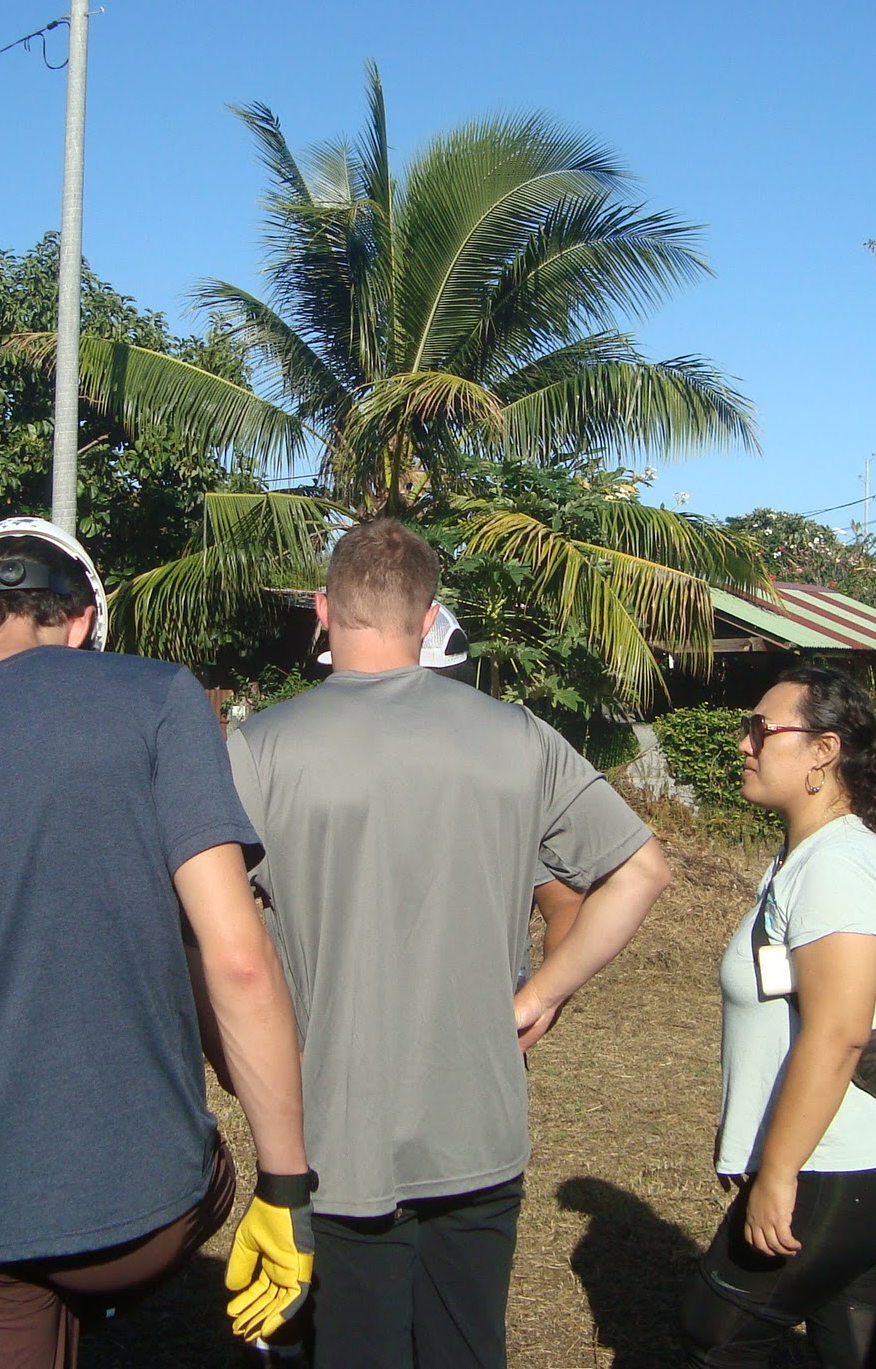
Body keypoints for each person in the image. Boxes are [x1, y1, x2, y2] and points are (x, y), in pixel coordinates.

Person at [0, 517, 312, 1369]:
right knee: (180, 1185)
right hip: (144, 1206)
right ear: (82, 623)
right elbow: (238, 956)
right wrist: (286, 1189)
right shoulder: (160, 696)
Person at [226, 518, 672, 1368]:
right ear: (430, 620)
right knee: (469, 1347)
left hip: (337, 1132)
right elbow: (641, 871)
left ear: (324, 609)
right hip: (479, 1125)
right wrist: (544, 993)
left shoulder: (257, 752)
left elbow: (214, 942)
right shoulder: (518, 737)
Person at [681, 665, 876, 1369]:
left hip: (843, 1162)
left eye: (761, 729)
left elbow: (838, 1034)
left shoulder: (839, 866)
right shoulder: (806, 855)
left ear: (823, 751)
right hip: (856, 1159)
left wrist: (778, 1170)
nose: (744, 743)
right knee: (853, 1344)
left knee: (721, 1331)